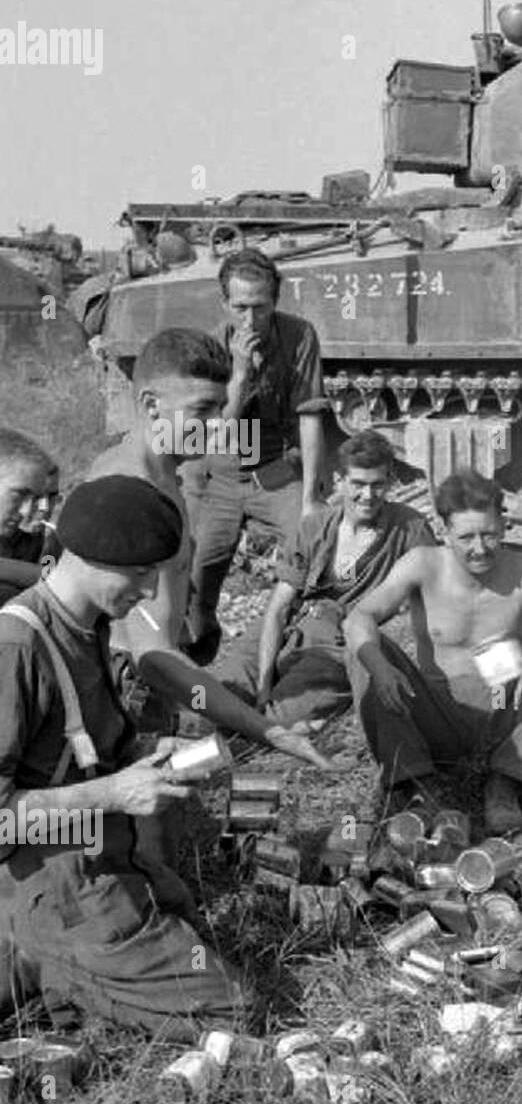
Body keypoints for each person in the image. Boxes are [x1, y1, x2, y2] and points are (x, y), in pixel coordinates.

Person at [0, 476, 245, 1039]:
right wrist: (114, 792)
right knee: (229, 1009)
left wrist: (143, 757)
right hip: (50, 879)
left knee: (181, 920)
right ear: (88, 559)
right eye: (139, 574)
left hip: (100, 856)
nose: (151, 589)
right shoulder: (18, 647)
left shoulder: (86, 626)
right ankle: (52, 967)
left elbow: (76, 750)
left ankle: (57, 972)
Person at [85, 326, 331, 772]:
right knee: (149, 831)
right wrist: (264, 730)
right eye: (202, 409)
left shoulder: (166, 473)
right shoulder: (135, 494)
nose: (220, 424)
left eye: (220, 407)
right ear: (150, 405)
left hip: (144, 683)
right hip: (127, 693)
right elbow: (152, 652)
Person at [342, 469, 522, 832]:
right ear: (444, 530)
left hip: (502, 712)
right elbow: (359, 617)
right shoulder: (423, 563)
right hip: (432, 714)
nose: (479, 548)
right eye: (466, 537)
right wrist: (382, 669)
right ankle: (414, 783)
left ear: (504, 527)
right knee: (365, 650)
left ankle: (507, 779)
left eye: (490, 535)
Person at [216, 428, 434, 726]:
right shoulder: (314, 527)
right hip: (292, 623)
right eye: (358, 484)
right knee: (219, 694)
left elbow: (432, 603)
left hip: (339, 644)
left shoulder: (410, 529)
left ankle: (228, 752)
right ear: (339, 481)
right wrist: (264, 683)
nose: (367, 496)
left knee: (277, 719)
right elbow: (279, 608)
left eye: (378, 485)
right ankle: (176, 753)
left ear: (389, 484)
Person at [181, 247, 332, 665]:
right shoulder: (210, 347)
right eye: (240, 308)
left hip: (275, 470)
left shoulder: (299, 336)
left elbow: (310, 416)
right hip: (219, 473)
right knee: (194, 579)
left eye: (260, 308)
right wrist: (241, 373)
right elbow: (211, 433)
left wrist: (310, 502)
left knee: (315, 552)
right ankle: (196, 670)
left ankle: (289, 655)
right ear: (224, 303)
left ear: (275, 301)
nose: (250, 320)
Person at [0, 428, 59, 603]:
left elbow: (50, 577)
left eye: (51, 497)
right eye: (19, 495)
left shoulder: (50, 538)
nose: (43, 507)